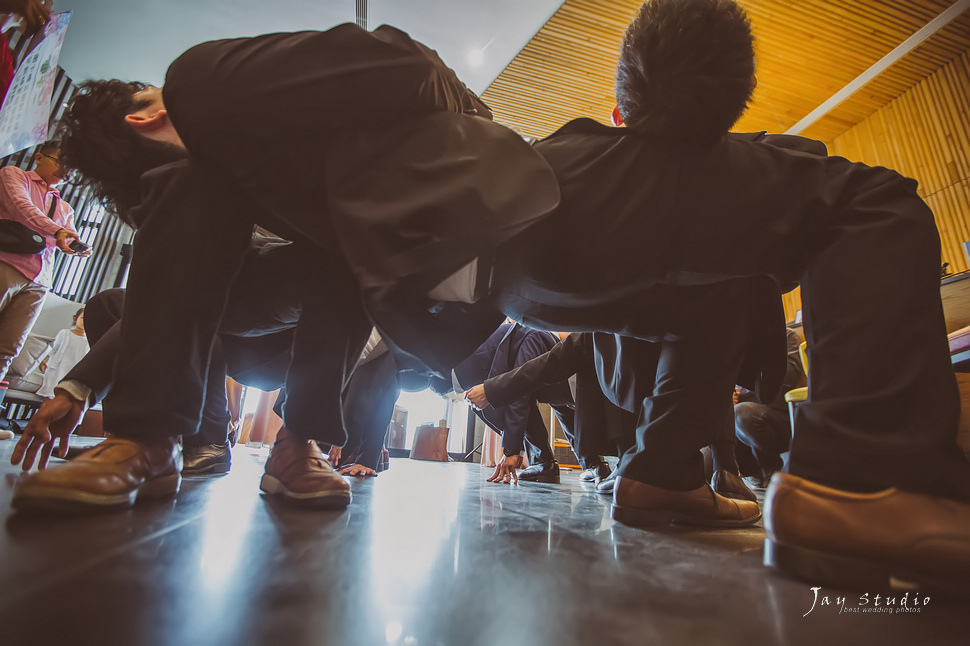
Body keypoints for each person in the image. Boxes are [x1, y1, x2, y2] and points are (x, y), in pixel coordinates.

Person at [11, 23, 559, 511]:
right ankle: (152, 441)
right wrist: (78, 387)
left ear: (146, 117)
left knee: (325, 239)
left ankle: (298, 441)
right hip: (293, 308)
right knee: (204, 208)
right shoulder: (199, 188)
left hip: (425, 239)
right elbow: (169, 295)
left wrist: (473, 134)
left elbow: (411, 64)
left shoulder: (201, 83)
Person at [443, 322, 574, 484]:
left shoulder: (533, 339)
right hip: (460, 365)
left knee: (516, 394)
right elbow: (520, 393)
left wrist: (512, 451)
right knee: (509, 395)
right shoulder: (533, 339)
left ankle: (544, 462)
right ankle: (546, 462)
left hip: (459, 365)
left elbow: (519, 394)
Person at [0, 141, 84, 385]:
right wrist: (57, 230)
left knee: (8, 349)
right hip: (6, 263)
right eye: (61, 162)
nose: (66, 171)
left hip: (40, 281)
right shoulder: (14, 175)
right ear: (39, 157)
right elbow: (23, 208)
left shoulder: (65, 207)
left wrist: (76, 245)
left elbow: (67, 237)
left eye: (72, 168)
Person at [733, 327, 804, 485]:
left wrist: (751, 361)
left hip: (778, 412)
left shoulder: (786, 335)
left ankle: (772, 469)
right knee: (707, 463)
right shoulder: (737, 345)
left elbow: (791, 375)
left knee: (742, 413)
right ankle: (752, 474)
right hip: (743, 417)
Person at [35, 306, 87, 398]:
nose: (85, 321)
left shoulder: (88, 340)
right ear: (75, 319)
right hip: (59, 367)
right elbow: (53, 348)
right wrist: (44, 359)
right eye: (83, 318)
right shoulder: (65, 333)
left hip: (74, 369)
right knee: (51, 392)